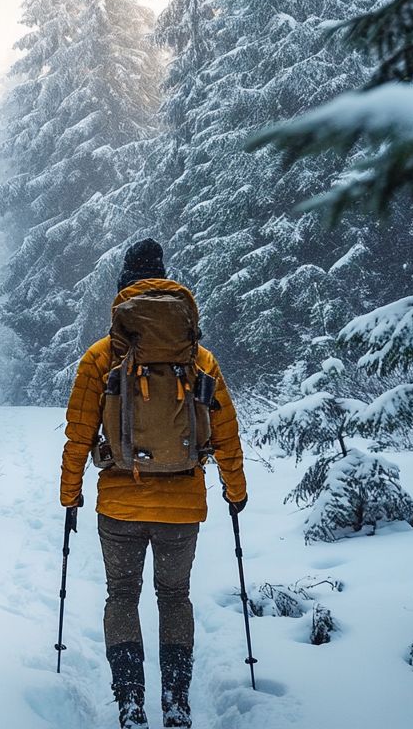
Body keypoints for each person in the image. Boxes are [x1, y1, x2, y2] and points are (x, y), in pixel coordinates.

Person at [59, 238, 248, 729]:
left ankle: (129, 702)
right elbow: (225, 431)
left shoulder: (101, 356)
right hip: (182, 504)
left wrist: (70, 492)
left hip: (120, 503)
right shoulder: (198, 358)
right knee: (174, 596)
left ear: (123, 292)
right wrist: (235, 489)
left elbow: (79, 432)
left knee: (121, 595)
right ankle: (177, 702)